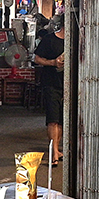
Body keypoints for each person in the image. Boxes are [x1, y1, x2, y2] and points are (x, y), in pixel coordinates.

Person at [32, 18, 67, 160]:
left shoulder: (75, 41)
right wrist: (53, 62)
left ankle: (57, 150)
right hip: (51, 84)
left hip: (68, 85)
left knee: (62, 120)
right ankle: (54, 152)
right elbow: (37, 59)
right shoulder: (49, 39)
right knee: (53, 119)